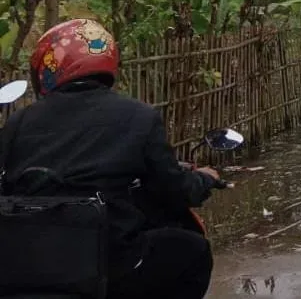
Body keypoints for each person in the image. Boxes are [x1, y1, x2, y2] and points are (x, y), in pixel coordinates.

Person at [0, 19, 221, 299]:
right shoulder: (139, 116)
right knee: (193, 250)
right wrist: (202, 179)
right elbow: (173, 188)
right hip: (111, 264)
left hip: (27, 264)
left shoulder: (19, 122)